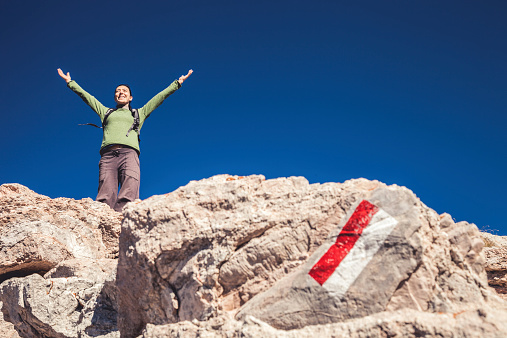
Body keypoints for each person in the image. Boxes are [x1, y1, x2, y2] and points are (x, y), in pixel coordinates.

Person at [57, 68, 193, 212]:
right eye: (117, 91)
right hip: (108, 156)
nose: (121, 92)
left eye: (124, 91)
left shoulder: (139, 113)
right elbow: (87, 97)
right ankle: (103, 223)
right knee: (105, 194)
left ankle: (123, 222)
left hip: (129, 154)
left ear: (130, 98)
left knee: (130, 190)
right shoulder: (106, 112)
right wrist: (70, 82)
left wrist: (177, 83)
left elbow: (159, 98)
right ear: (115, 97)